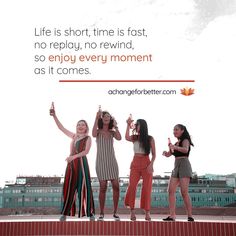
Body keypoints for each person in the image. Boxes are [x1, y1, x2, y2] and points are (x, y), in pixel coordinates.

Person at [49, 103, 95, 221]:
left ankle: (90, 213)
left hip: (82, 164)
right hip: (71, 165)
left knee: (84, 187)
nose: (80, 126)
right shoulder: (74, 136)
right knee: (69, 187)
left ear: (86, 127)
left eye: (83, 125)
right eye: (78, 124)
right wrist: (54, 116)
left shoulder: (88, 138)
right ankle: (65, 213)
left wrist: (72, 157)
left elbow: (86, 152)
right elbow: (61, 128)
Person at [92, 108, 121, 221]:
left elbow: (119, 138)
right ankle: (102, 213)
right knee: (103, 187)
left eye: (108, 116)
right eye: (104, 116)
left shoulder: (113, 132)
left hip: (112, 162)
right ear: (101, 118)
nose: (106, 118)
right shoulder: (98, 132)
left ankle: (115, 212)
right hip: (101, 162)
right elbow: (93, 134)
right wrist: (96, 117)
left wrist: (116, 126)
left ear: (110, 119)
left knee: (116, 186)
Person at [125, 117, 156, 221]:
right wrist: (127, 125)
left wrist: (151, 164)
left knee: (147, 188)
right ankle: (132, 212)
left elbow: (154, 154)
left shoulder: (150, 138)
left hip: (146, 162)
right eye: (136, 125)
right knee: (132, 186)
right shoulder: (134, 137)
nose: (136, 126)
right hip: (135, 162)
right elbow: (126, 137)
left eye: (137, 125)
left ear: (142, 126)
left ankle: (147, 213)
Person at [162, 124, 194, 222]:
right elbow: (169, 154)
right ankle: (172, 216)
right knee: (170, 190)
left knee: (184, 192)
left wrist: (174, 147)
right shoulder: (175, 143)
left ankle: (190, 216)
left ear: (182, 130)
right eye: (173, 130)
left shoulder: (185, 140)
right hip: (176, 166)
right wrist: (166, 153)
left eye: (176, 129)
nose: (174, 131)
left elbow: (185, 150)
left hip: (184, 165)